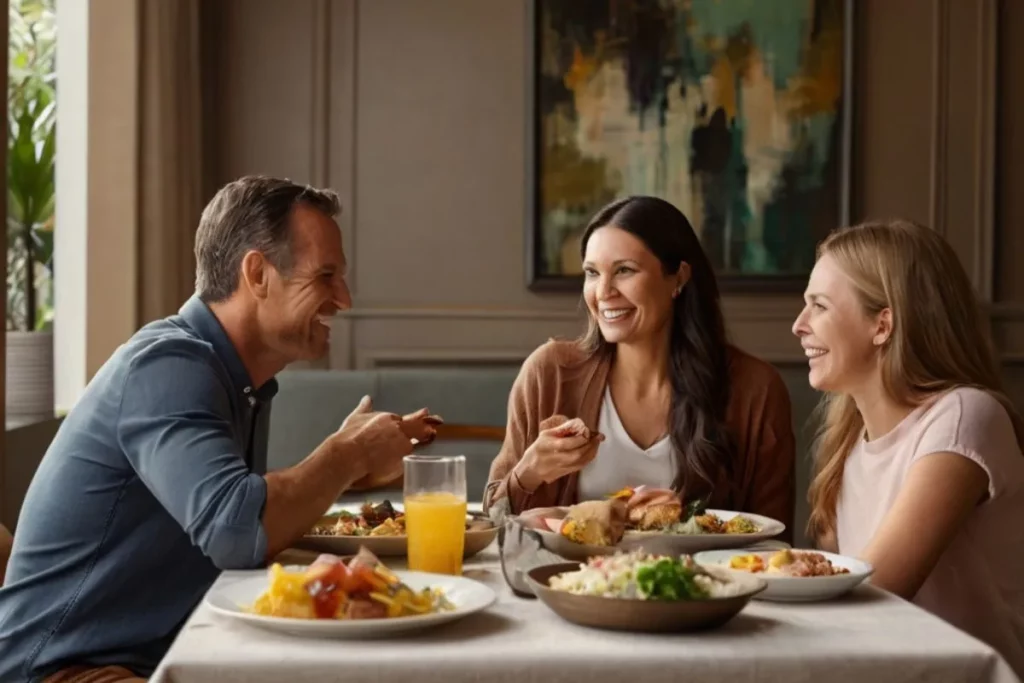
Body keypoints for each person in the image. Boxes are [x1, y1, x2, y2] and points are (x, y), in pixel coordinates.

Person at [0, 176, 440, 683]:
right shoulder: (169, 365)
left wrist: (347, 470)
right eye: (325, 276)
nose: (344, 298)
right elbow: (237, 531)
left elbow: (241, 527)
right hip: (65, 671)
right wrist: (345, 456)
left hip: (150, 656)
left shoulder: (236, 379)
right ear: (257, 273)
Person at [793, 219, 1024, 676]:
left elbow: (875, 590)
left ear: (883, 325)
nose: (799, 326)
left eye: (818, 306)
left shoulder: (963, 417)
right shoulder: (846, 438)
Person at [484, 196, 796, 534]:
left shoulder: (755, 389)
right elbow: (492, 524)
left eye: (624, 271)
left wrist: (683, 520)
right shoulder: (550, 373)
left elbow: (775, 539)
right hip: (566, 583)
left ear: (678, 277)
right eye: (592, 273)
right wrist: (529, 472)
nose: (603, 292)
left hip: (696, 585)